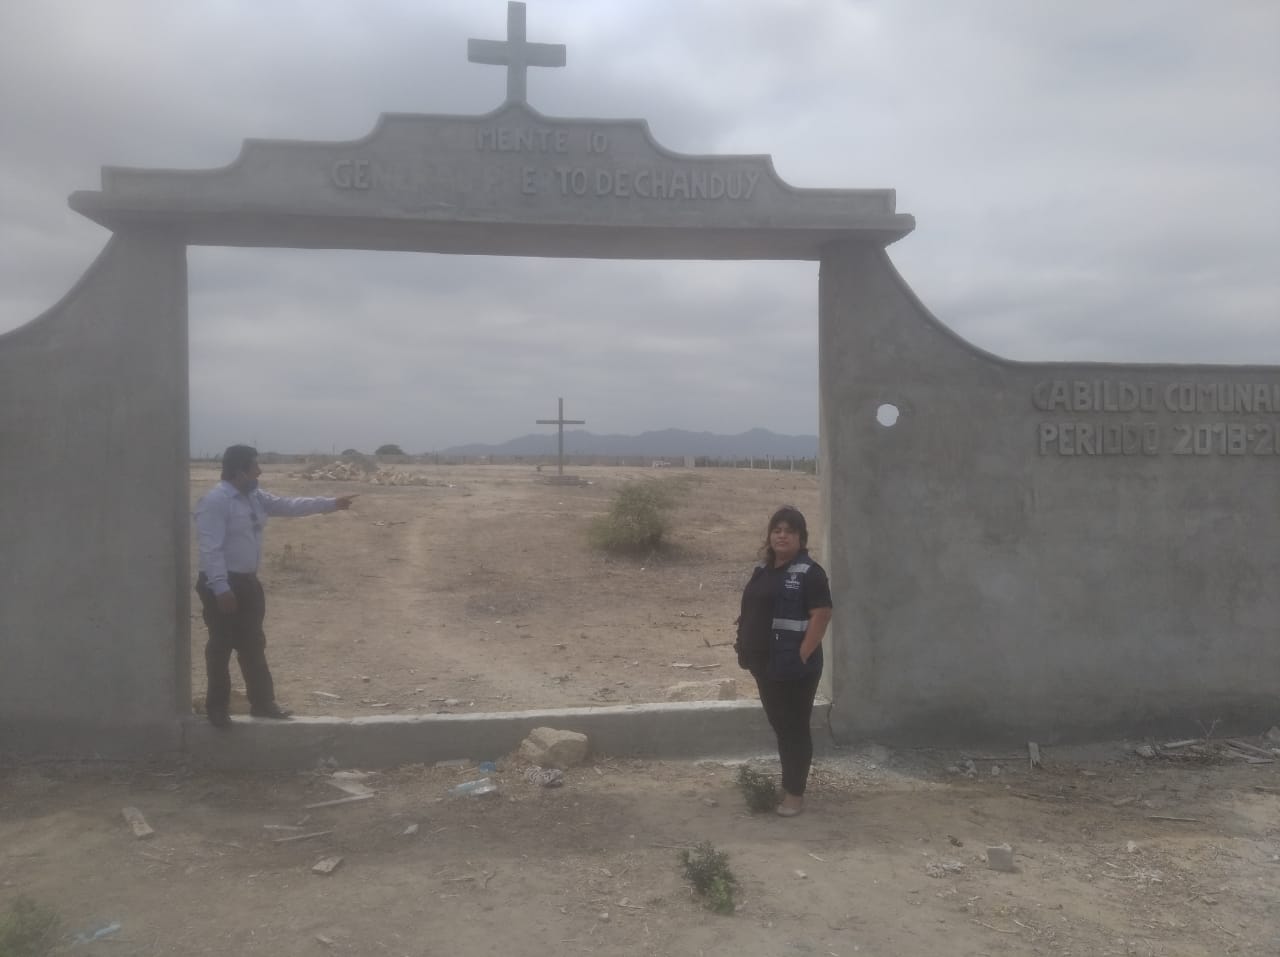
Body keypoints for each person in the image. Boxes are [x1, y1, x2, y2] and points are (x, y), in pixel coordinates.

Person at [194, 445, 357, 727]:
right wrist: (221, 587)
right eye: (254, 467)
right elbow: (211, 548)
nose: (260, 471)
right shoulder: (216, 501)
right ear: (239, 472)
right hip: (222, 584)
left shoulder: (254, 496)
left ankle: (263, 704)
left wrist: (332, 503)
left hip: (247, 582)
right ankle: (217, 710)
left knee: (253, 644)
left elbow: (289, 505)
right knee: (221, 647)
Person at [734, 506, 833, 816]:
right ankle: (790, 783)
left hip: (794, 668)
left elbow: (822, 615)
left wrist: (802, 653)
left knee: (794, 729)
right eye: (776, 530)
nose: (782, 535)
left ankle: (794, 794)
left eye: (789, 531)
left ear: (801, 538)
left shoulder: (810, 573)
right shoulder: (763, 571)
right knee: (781, 726)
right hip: (765, 666)